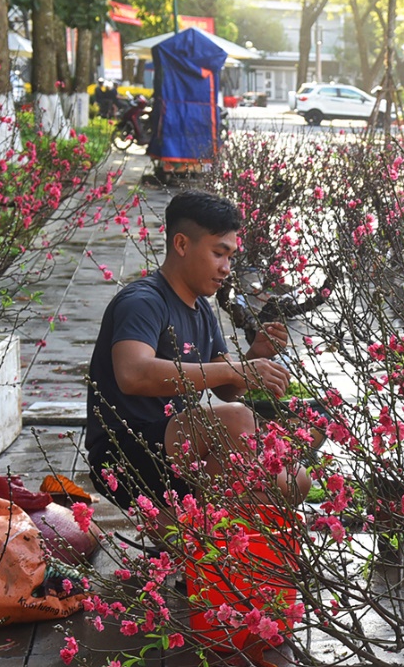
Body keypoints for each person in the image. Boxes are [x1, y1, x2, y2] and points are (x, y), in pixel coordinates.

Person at [86, 188, 314, 516]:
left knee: (294, 479)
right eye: (219, 253)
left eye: (231, 257)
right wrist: (237, 371)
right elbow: (132, 374)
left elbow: (226, 387)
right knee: (238, 419)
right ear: (181, 244)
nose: (226, 267)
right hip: (123, 453)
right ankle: (183, 531)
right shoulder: (143, 301)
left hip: (173, 447)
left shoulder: (202, 309)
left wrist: (252, 357)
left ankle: (189, 534)